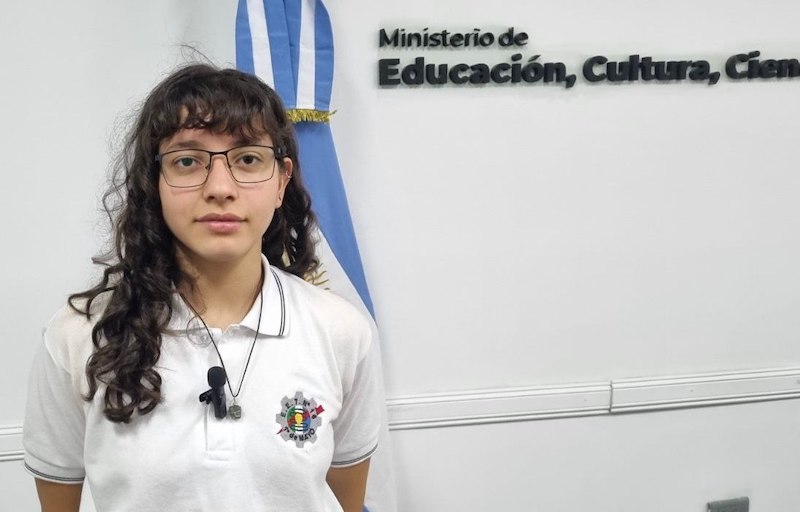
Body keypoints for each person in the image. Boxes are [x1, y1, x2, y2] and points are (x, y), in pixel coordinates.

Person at [23, 64, 381, 512]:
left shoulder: (341, 330)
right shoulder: (78, 336)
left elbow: (347, 500)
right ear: (154, 183)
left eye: (247, 159)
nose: (220, 188)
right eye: (188, 161)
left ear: (281, 181)